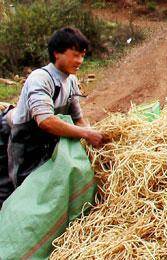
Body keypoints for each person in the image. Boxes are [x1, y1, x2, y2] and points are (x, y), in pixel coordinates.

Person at [0, 27, 104, 209]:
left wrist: (93, 139)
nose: (80, 61)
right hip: (19, 141)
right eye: (75, 55)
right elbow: (46, 121)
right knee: (14, 193)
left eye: (82, 55)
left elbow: (78, 119)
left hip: (43, 143)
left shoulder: (70, 81)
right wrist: (86, 134)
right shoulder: (41, 79)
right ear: (57, 53)